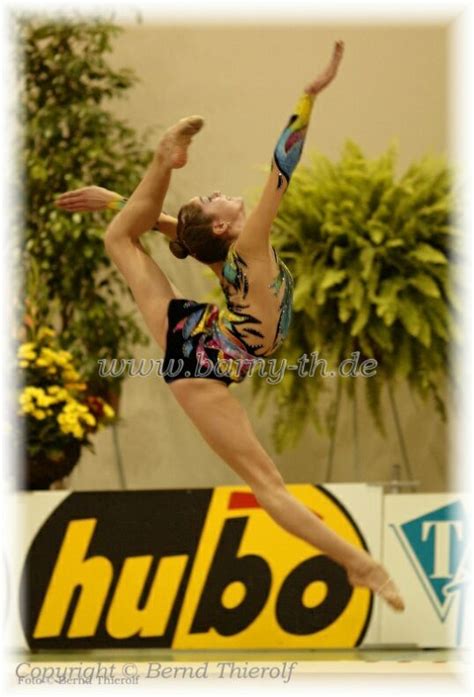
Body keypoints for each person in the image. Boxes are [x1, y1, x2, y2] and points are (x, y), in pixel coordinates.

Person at [56, 41, 405, 611]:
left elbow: (179, 231)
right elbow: (279, 172)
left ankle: (162, 160)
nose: (221, 193)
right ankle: (359, 563)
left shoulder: (225, 249)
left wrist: (118, 198)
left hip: (211, 340)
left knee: (121, 235)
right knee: (266, 485)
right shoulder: (248, 245)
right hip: (205, 354)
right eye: (213, 198)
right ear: (224, 228)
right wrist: (308, 97)